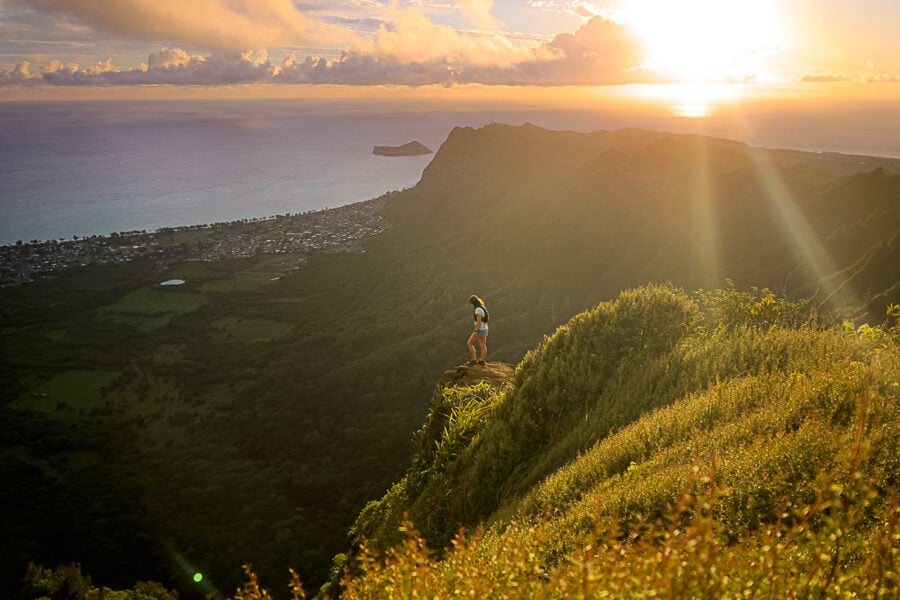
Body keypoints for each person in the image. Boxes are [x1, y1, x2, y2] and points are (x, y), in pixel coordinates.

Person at [467, 294, 489, 366]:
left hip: (479, 329)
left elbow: (478, 321)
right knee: (483, 345)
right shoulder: (482, 307)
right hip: (485, 329)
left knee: (469, 343)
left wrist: (476, 331)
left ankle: (473, 360)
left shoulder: (477, 309)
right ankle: (482, 361)